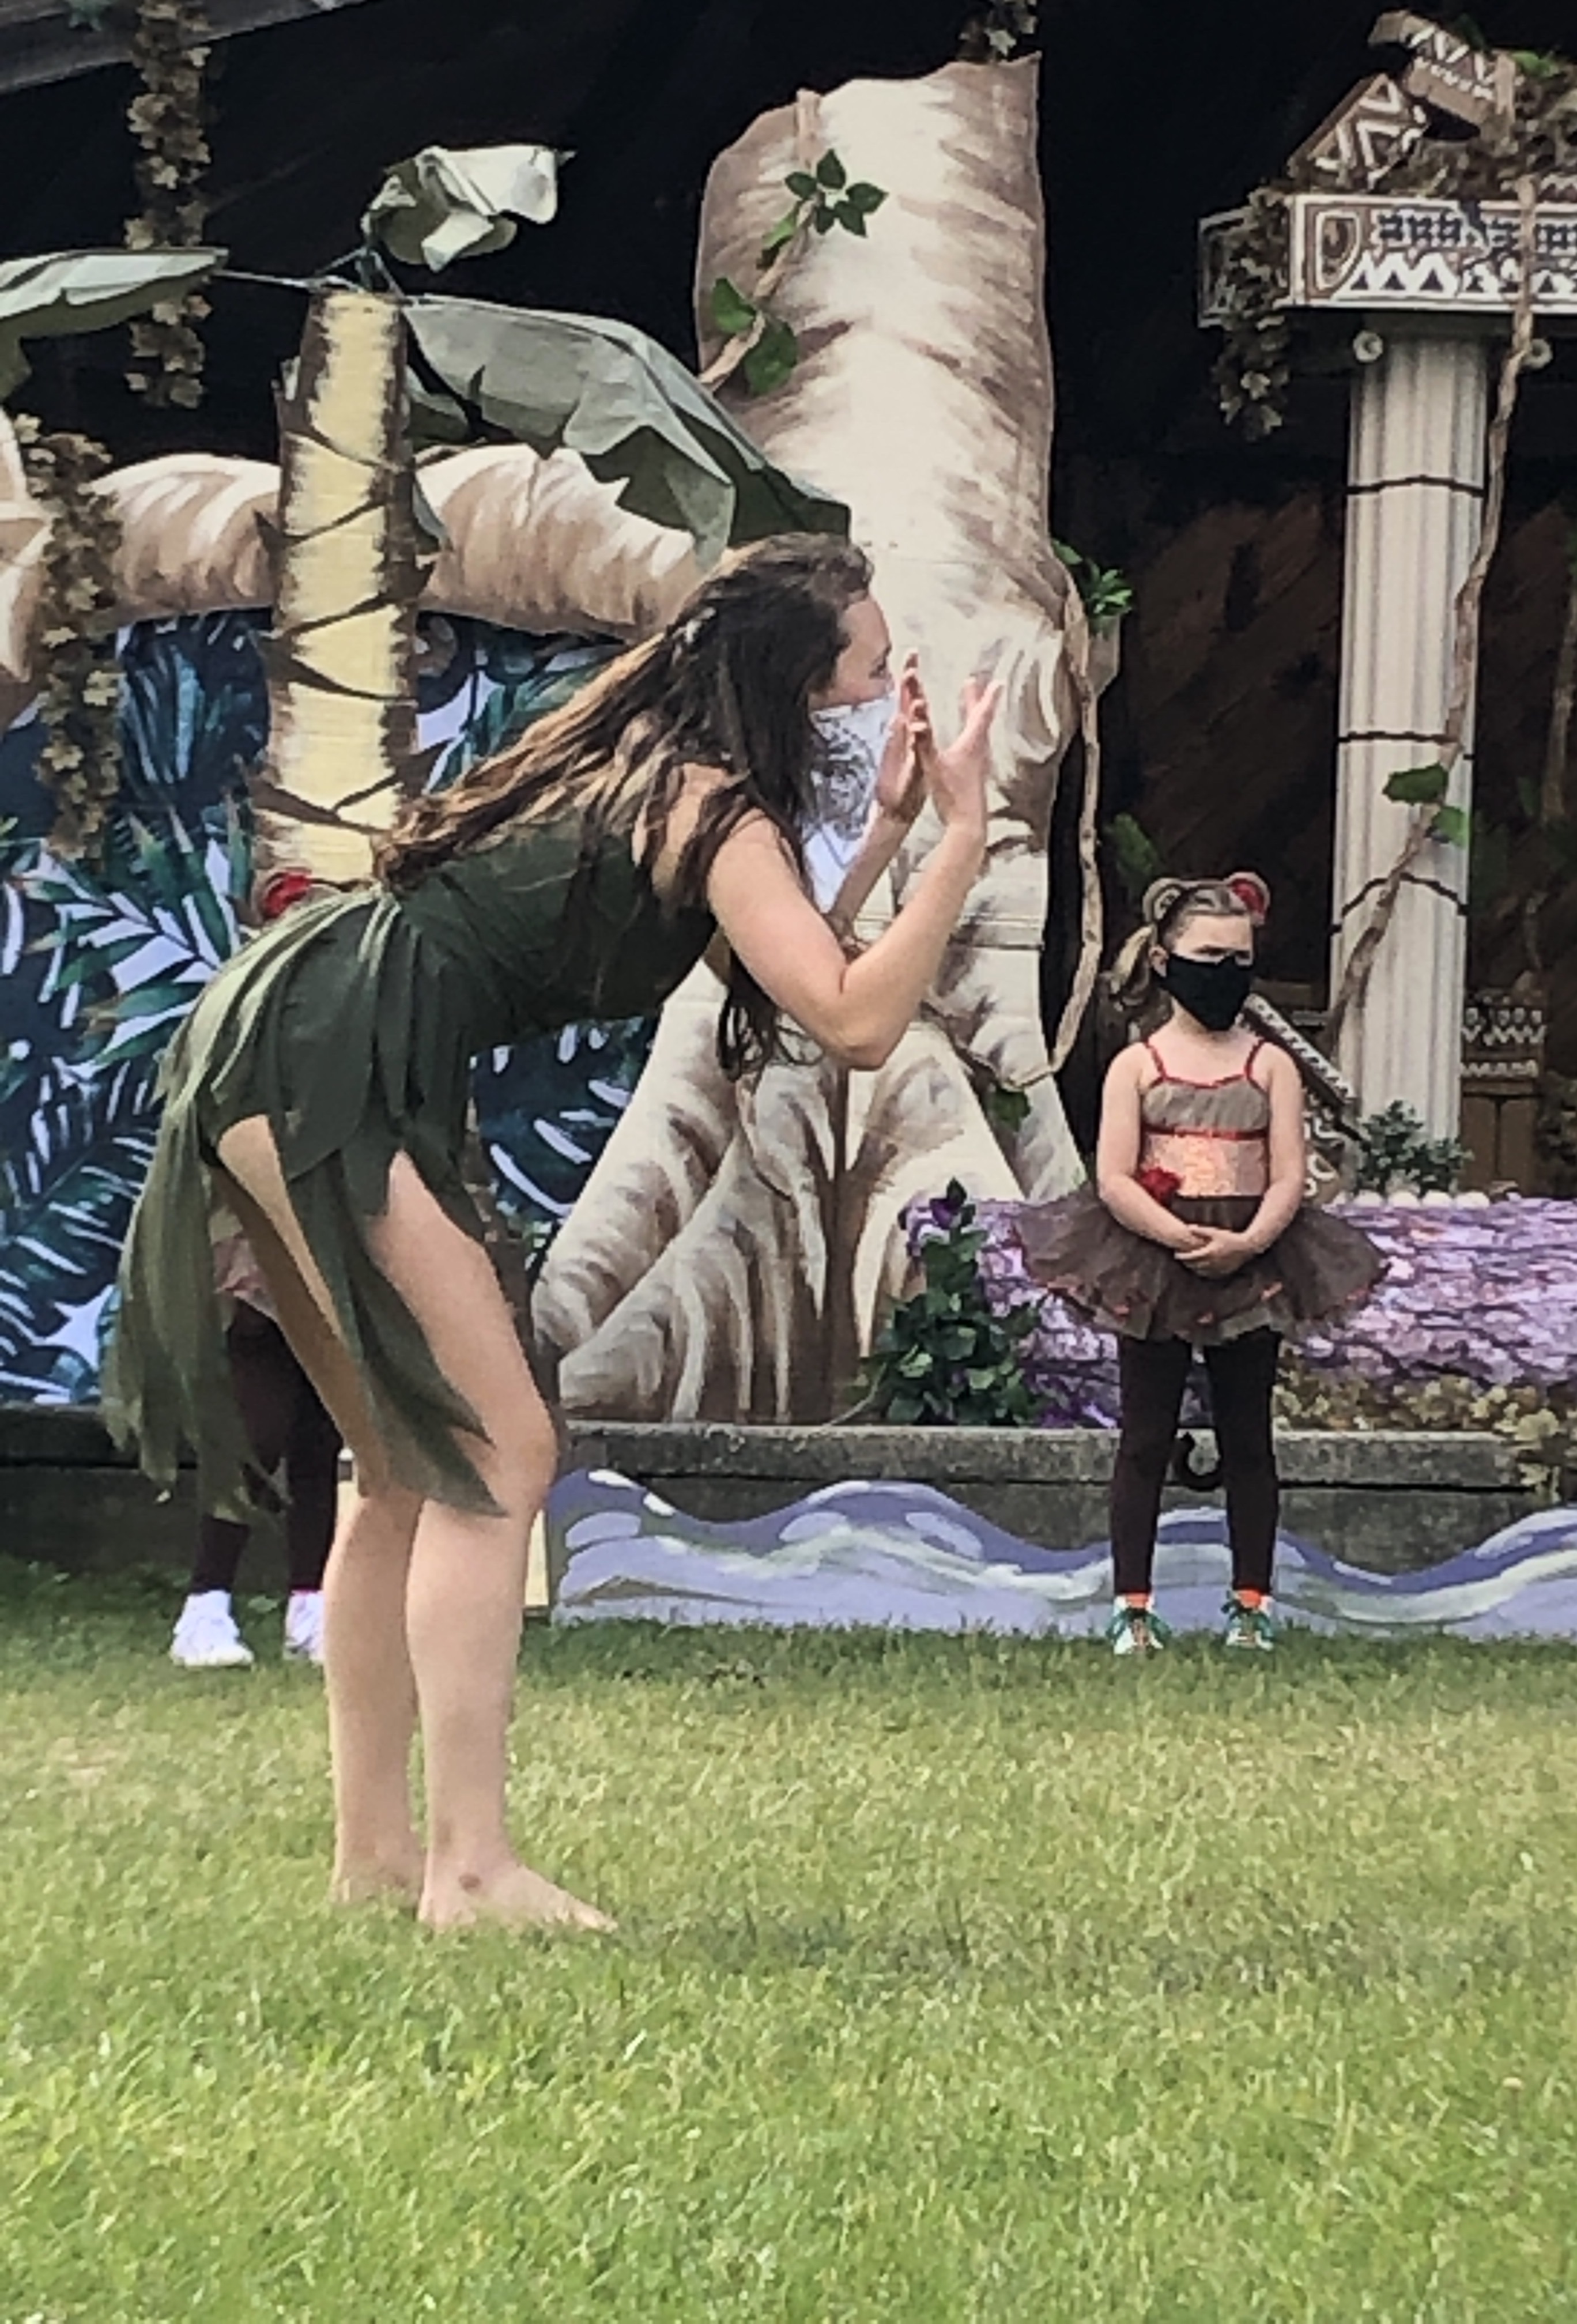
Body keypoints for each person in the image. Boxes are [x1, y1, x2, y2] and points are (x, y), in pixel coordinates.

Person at [105, 534, 996, 1932]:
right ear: (795, 688)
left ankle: (378, 1858)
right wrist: (963, 838)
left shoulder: (668, 777)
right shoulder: (713, 809)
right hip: (336, 1052)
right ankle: (470, 1870)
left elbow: (781, 957)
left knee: (403, 1465)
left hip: (291, 1025)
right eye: (873, 673)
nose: (890, 697)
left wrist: (884, 832)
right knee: (496, 1452)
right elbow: (854, 1019)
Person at [1014, 874, 1385, 1655]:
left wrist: (1248, 1242)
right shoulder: (1137, 1065)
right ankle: (1132, 1608)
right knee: (1144, 1439)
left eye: (1239, 959)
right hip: (1153, 1263)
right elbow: (1114, 1177)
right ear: (1164, 960)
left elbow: (1289, 1175)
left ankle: (1252, 1605)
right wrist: (1178, 1237)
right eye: (1209, 957)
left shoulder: (1272, 1067)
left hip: (1256, 1262)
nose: (1225, 974)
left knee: (1249, 1438)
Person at [167, 1228, 341, 1669]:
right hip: (256, 1238)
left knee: (321, 1439)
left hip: (335, 1243)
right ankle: (205, 1607)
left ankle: (310, 1609)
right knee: (255, 1437)